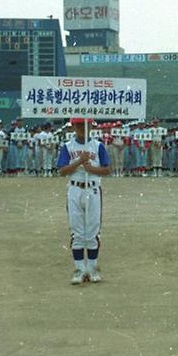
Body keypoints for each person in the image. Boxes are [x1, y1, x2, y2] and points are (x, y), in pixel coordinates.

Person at [57, 118, 111, 285]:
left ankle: (92, 268)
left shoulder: (97, 145)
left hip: (93, 188)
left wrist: (91, 168)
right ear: (73, 126)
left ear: (91, 126)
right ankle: (80, 269)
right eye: (79, 124)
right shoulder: (67, 146)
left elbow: (106, 169)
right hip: (75, 189)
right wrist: (79, 161)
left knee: (93, 231)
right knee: (78, 231)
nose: (82, 128)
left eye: (85, 125)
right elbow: (62, 170)